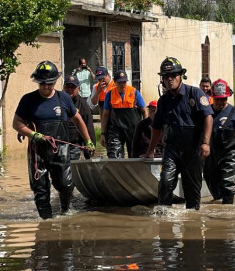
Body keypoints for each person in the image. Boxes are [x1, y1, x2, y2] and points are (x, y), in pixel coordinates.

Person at [13, 61, 95, 218]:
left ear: (55, 82)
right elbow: (16, 123)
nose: (46, 87)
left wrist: (88, 140)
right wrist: (32, 134)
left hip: (61, 151)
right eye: (42, 83)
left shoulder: (63, 98)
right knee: (40, 188)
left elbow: (78, 120)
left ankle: (65, 211)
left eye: (49, 83)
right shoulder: (28, 100)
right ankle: (46, 221)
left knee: (65, 184)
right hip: (38, 152)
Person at [145, 57, 213, 210]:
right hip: (172, 149)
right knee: (165, 182)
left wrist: (206, 143)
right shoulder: (163, 101)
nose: (170, 80)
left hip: (193, 149)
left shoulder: (195, 93)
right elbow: (156, 128)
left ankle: (193, 224)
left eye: (173, 76)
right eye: (166, 77)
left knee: (192, 193)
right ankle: (164, 220)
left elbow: (208, 117)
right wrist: (150, 151)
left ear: (180, 75)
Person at [204, 79, 235, 204]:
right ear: (212, 98)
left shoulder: (234, 112)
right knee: (210, 179)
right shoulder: (206, 112)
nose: (221, 102)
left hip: (229, 153)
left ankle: (228, 212)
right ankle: (218, 209)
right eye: (218, 99)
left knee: (227, 182)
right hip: (211, 154)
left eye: (223, 99)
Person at [101, 70, 147, 158]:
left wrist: (144, 130)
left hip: (133, 129)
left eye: (124, 82)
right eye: (120, 83)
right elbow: (105, 115)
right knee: (114, 156)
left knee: (136, 156)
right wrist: (103, 133)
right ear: (114, 82)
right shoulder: (109, 94)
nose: (122, 85)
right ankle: (117, 171)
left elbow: (144, 111)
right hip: (116, 129)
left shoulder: (134, 92)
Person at [62, 74, 96, 160]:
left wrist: (90, 145)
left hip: (74, 145)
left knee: (71, 170)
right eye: (67, 87)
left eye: (72, 87)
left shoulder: (83, 105)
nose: (70, 90)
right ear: (63, 87)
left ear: (78, 89)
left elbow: (89, 126)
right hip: (59, 144)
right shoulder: (57, 100)